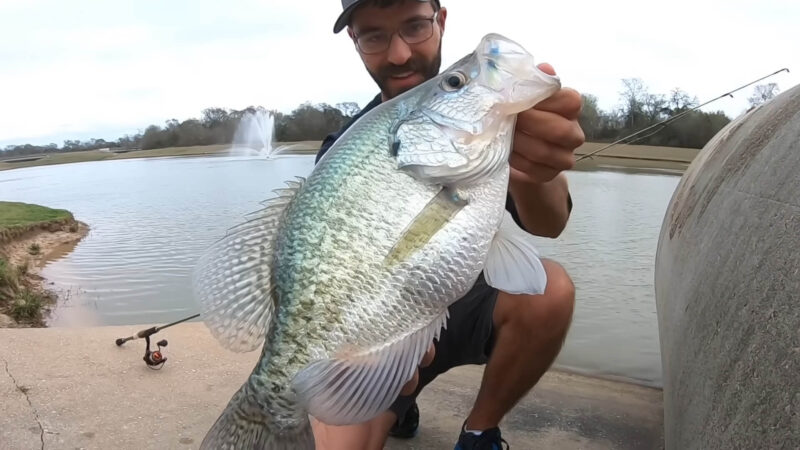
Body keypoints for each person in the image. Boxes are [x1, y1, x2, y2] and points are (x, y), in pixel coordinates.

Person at [311, 1, 584, 448]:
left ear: (440, 21)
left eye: (415, 26)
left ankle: (479, 430)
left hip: (468, 300)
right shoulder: (343, 154)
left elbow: (550, 224)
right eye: (375, 36)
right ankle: (398, 396)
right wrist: (366, 362)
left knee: (549, 291)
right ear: (355, 43)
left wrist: (540, 171)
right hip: (385, 320)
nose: (399, 54)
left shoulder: (483, 133)